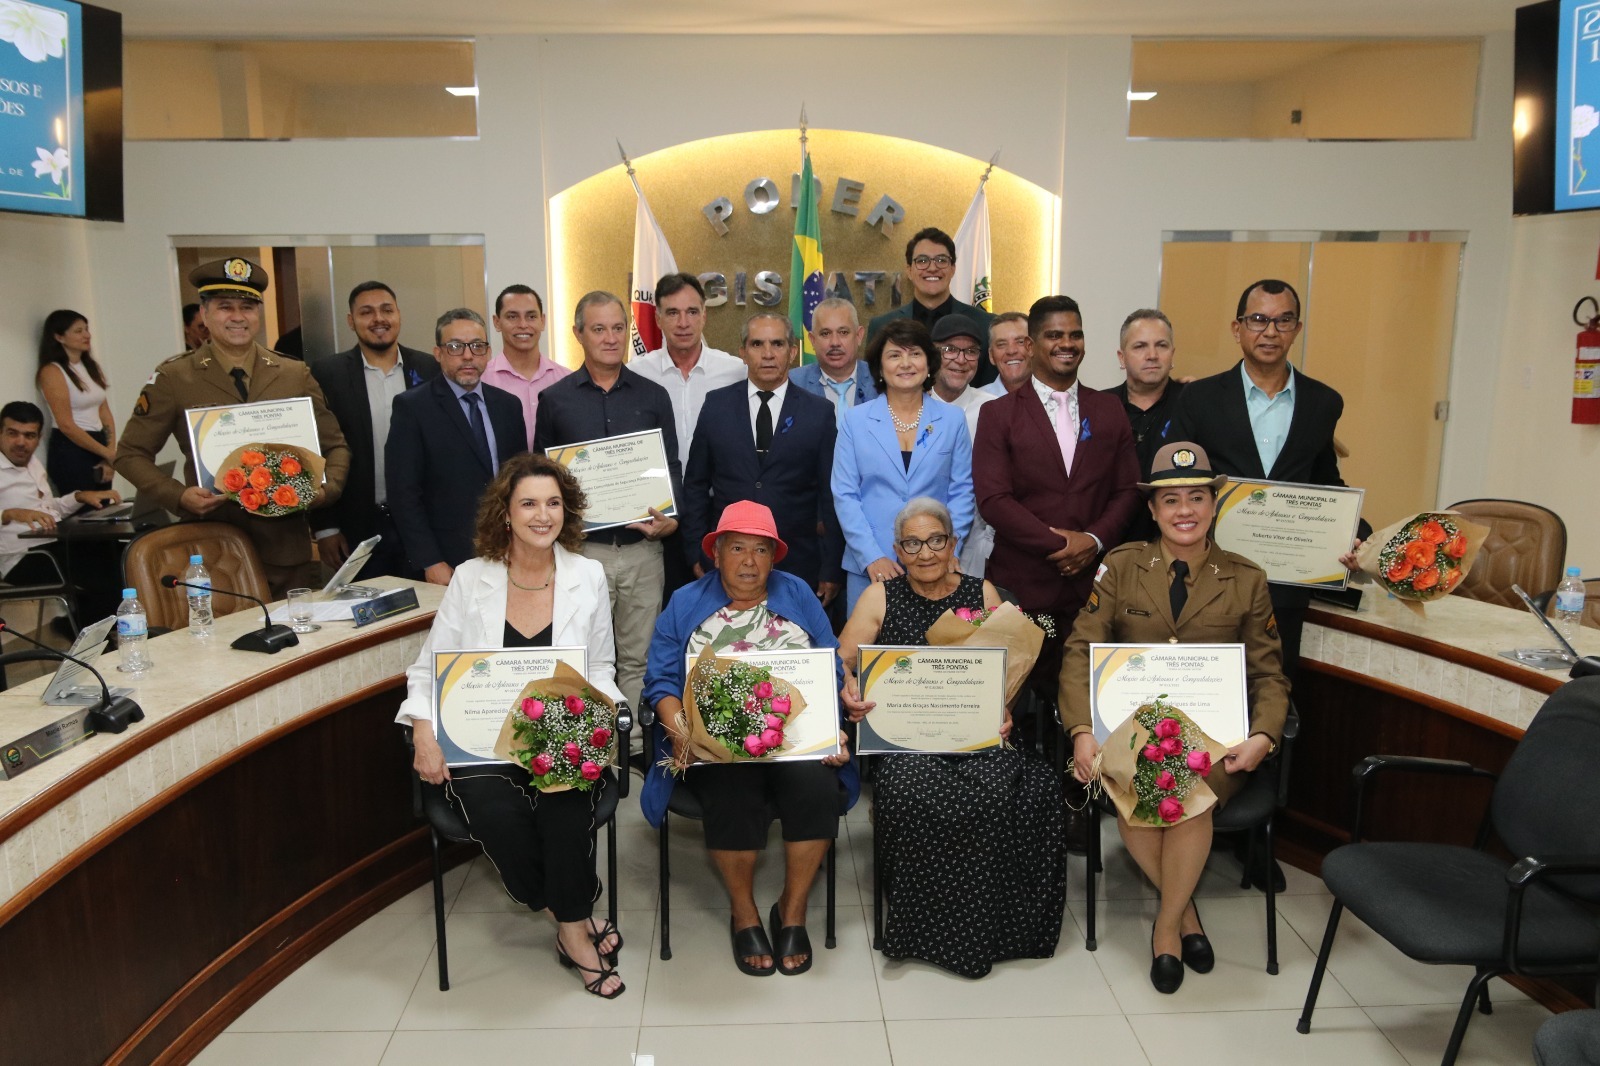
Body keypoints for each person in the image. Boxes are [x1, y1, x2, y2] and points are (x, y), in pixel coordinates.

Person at [1058, 442, 1289, 994]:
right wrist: (1082, 731)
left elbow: (1269, 676)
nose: (1184, 510)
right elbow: (1077, 651)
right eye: (1171, 500)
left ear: (1214, 506)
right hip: (1132, 733)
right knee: (1149, 777)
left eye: (1197, 498)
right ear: (1154, 510)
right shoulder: (1120, 567)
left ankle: (1164, 929)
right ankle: (1184, 918)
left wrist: (1263, 736)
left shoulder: (1247, 578)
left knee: (1184, 791)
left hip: (1217, 740)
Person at [398, 452, 628, 998]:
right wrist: (424, 732)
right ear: (506, 513)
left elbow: (599, 667)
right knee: (499, 816)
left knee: (565, 807)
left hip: (561, 733)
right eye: (529, 503)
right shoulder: (471, 579)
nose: (542, 515)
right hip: (479, 743)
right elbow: (429, 667)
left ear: (566, 511)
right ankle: (567, 914)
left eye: (553, 503)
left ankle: (570, 928)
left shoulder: (588, 575)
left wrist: (603, 715)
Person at [839, 497, 1065, 978]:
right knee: (914, 787)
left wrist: (1004, 707)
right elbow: (844, 658)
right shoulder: (881, 596)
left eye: (935, 540)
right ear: (898, 551)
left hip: (975, 732)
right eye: (912, 543)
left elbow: (1009, 664)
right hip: (907, 740)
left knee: (1033, 788)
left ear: (953, 543)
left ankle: (1000, 928)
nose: (925, 553)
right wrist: (850, 686)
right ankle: (924, 930)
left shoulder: (980, 592)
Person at [641, 501, 857, 977]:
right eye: (737, 548)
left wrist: (833, 727)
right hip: (716, 745)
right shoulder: (685, 601)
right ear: (716, 553)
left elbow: (828, 665)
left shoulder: (797, 593)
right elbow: (659, 681)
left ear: (774, 557)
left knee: (817, 790)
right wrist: (680, 732)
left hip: (797, 738)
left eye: (761, 550)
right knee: (731, 793)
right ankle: (743, 911)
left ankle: (792, 909)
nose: (749, 562)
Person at [116, 258, 351, 598]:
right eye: (225, 307)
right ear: (205, 314)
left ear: (258, 313)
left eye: (247, 306)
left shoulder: (292, 373)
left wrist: (326, 490)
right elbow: (129, 454)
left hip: (286, 549)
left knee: (295, 643)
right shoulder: (174, 378)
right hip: (213, 551)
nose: (238, 317)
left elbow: (336, 446)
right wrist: (178, 496)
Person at [1173, 279, 1366, 678]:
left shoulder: (1323, 402)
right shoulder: (1199, 399)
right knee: (1201, 688)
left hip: (1286, 583)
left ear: (1297, 328)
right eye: (1259, 319)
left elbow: (1326, 481)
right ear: (1237, 328)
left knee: (1273, 688)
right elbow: (1179, 486)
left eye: (1283, 320)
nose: (1270, 331)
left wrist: (1357, 534)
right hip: (1210, 576)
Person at [972, 295, 1140, 679]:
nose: (1067, 343)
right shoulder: (998, 414)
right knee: (1017, 698)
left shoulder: (1110, 409)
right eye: (1055, 335)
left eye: (1075, 335)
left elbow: (1128, 490)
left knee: (1086, 696)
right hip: (1022, 586)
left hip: (1092, 590)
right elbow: (993, 500)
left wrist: (1093, 540)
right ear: (1031, 345)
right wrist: (1063, 545)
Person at [534, 291, 681, 714]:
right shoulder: (556, 400)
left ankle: (633, 747)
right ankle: (587, 749)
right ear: (579, 333)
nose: (611, 338)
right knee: (579, 658)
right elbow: (543, 479)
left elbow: (672, 467)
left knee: (639, 659)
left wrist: (672, 519)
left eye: (619, 328)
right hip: (581, 552)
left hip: (643, 552)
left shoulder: (653, 396)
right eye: (599, 329)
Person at [681, 313, 843, 602]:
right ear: (742, 352)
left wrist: (830, 568)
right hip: (726, 563)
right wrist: (696, 549)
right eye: (757, 344)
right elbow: (695, 484)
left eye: (777, 344)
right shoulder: (717, 405)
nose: (768, 354)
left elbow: (830, 496)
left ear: (793, 352)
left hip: (798, 563)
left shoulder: (818, 413)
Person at [833, 318, 973, 616]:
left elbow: (962, 492)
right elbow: (845, 495)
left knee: (936, 657)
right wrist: (870, 557)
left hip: (936, 562)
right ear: (880, 367)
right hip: (872, 564)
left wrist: (947, 551)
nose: (905, 363)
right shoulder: (855, 421)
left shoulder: (952, 420)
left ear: (929, 362)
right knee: (869, 657)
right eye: (895, 355)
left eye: (915, 354)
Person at [309, 281, 440, 579]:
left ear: (399, 316)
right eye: (366, 312)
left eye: (386, 310)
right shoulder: (327, 374)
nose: (378, 319)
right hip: (356, 525)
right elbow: (317, 451)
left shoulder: (430, 368)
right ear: (351, 321)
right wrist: (326, 527)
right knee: (365, 617)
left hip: (421, 523)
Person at [386, 308, 526, 585]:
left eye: (477, 346)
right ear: (438, 354)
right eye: (455, 347)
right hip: (447, 558)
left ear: (487, 353)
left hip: (508, 551)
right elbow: (403, 494)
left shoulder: (508, 406)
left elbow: (520, 481)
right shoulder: (413, 407)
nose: (467, 356)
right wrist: (429, 560)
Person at [0, 400, 122, 624]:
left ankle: (86, 627)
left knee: (121, 555)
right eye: (12, 433)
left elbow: (48, 509)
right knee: (100, 574)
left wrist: (79, 496)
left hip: (55, 542)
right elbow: (22, 514)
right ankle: (78, 630)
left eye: (29, 436)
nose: (20, 442)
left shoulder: (32, 463)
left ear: (38, 439)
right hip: (23, 558)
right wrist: (9, 513)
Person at [868, 227, 997, 388]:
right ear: (909, 270)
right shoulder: (881, 326)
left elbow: (990, 389)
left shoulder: (986, 324)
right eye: (922, 261)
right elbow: (874, 386)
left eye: (941, 260)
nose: (932, 268)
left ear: (953, 269)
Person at [1109, 309, 1186, 543]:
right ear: (1122, 358)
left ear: (1172, 354)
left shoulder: (1194, 405)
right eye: (1140, 346)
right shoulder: (1099, 407)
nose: (1152, 355)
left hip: (1177, 542)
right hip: (1109, 543)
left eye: (1161, 345)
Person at [36, 310, 115, 493]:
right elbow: (66, 425)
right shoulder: (52, 371)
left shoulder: (91, 367)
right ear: (59, 337)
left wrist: (109, 452)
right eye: (78, 331)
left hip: (98, 444)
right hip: (71, 448)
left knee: (104, 506)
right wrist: (107, 453)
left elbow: (105, 413)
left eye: (86, 329)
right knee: (84, 511)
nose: (87, 335)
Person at [484, 284, 568, 451]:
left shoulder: (567, 380)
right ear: (497, 322)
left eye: (531, 316)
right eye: (512, 317)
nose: (523, 325)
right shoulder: (482, 381)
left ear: (542, 321)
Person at [790, 297, 879, 424]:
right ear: (812, 340)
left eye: (843, 332)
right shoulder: (792, 383)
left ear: (859, 336)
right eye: (825, 334)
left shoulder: (881, 380)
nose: (835, 343)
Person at [930, 314, 995, 418]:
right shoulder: (912, 407)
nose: (961, 360)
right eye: (950, 349)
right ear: (932, 353)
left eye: (971, 351)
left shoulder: (993, 409)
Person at [978, 311, 1032, 398]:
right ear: (991, 355)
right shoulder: (975, 405)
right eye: (1001, 344)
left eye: (1020, 342)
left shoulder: (1058, 398)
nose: (1011, 351)